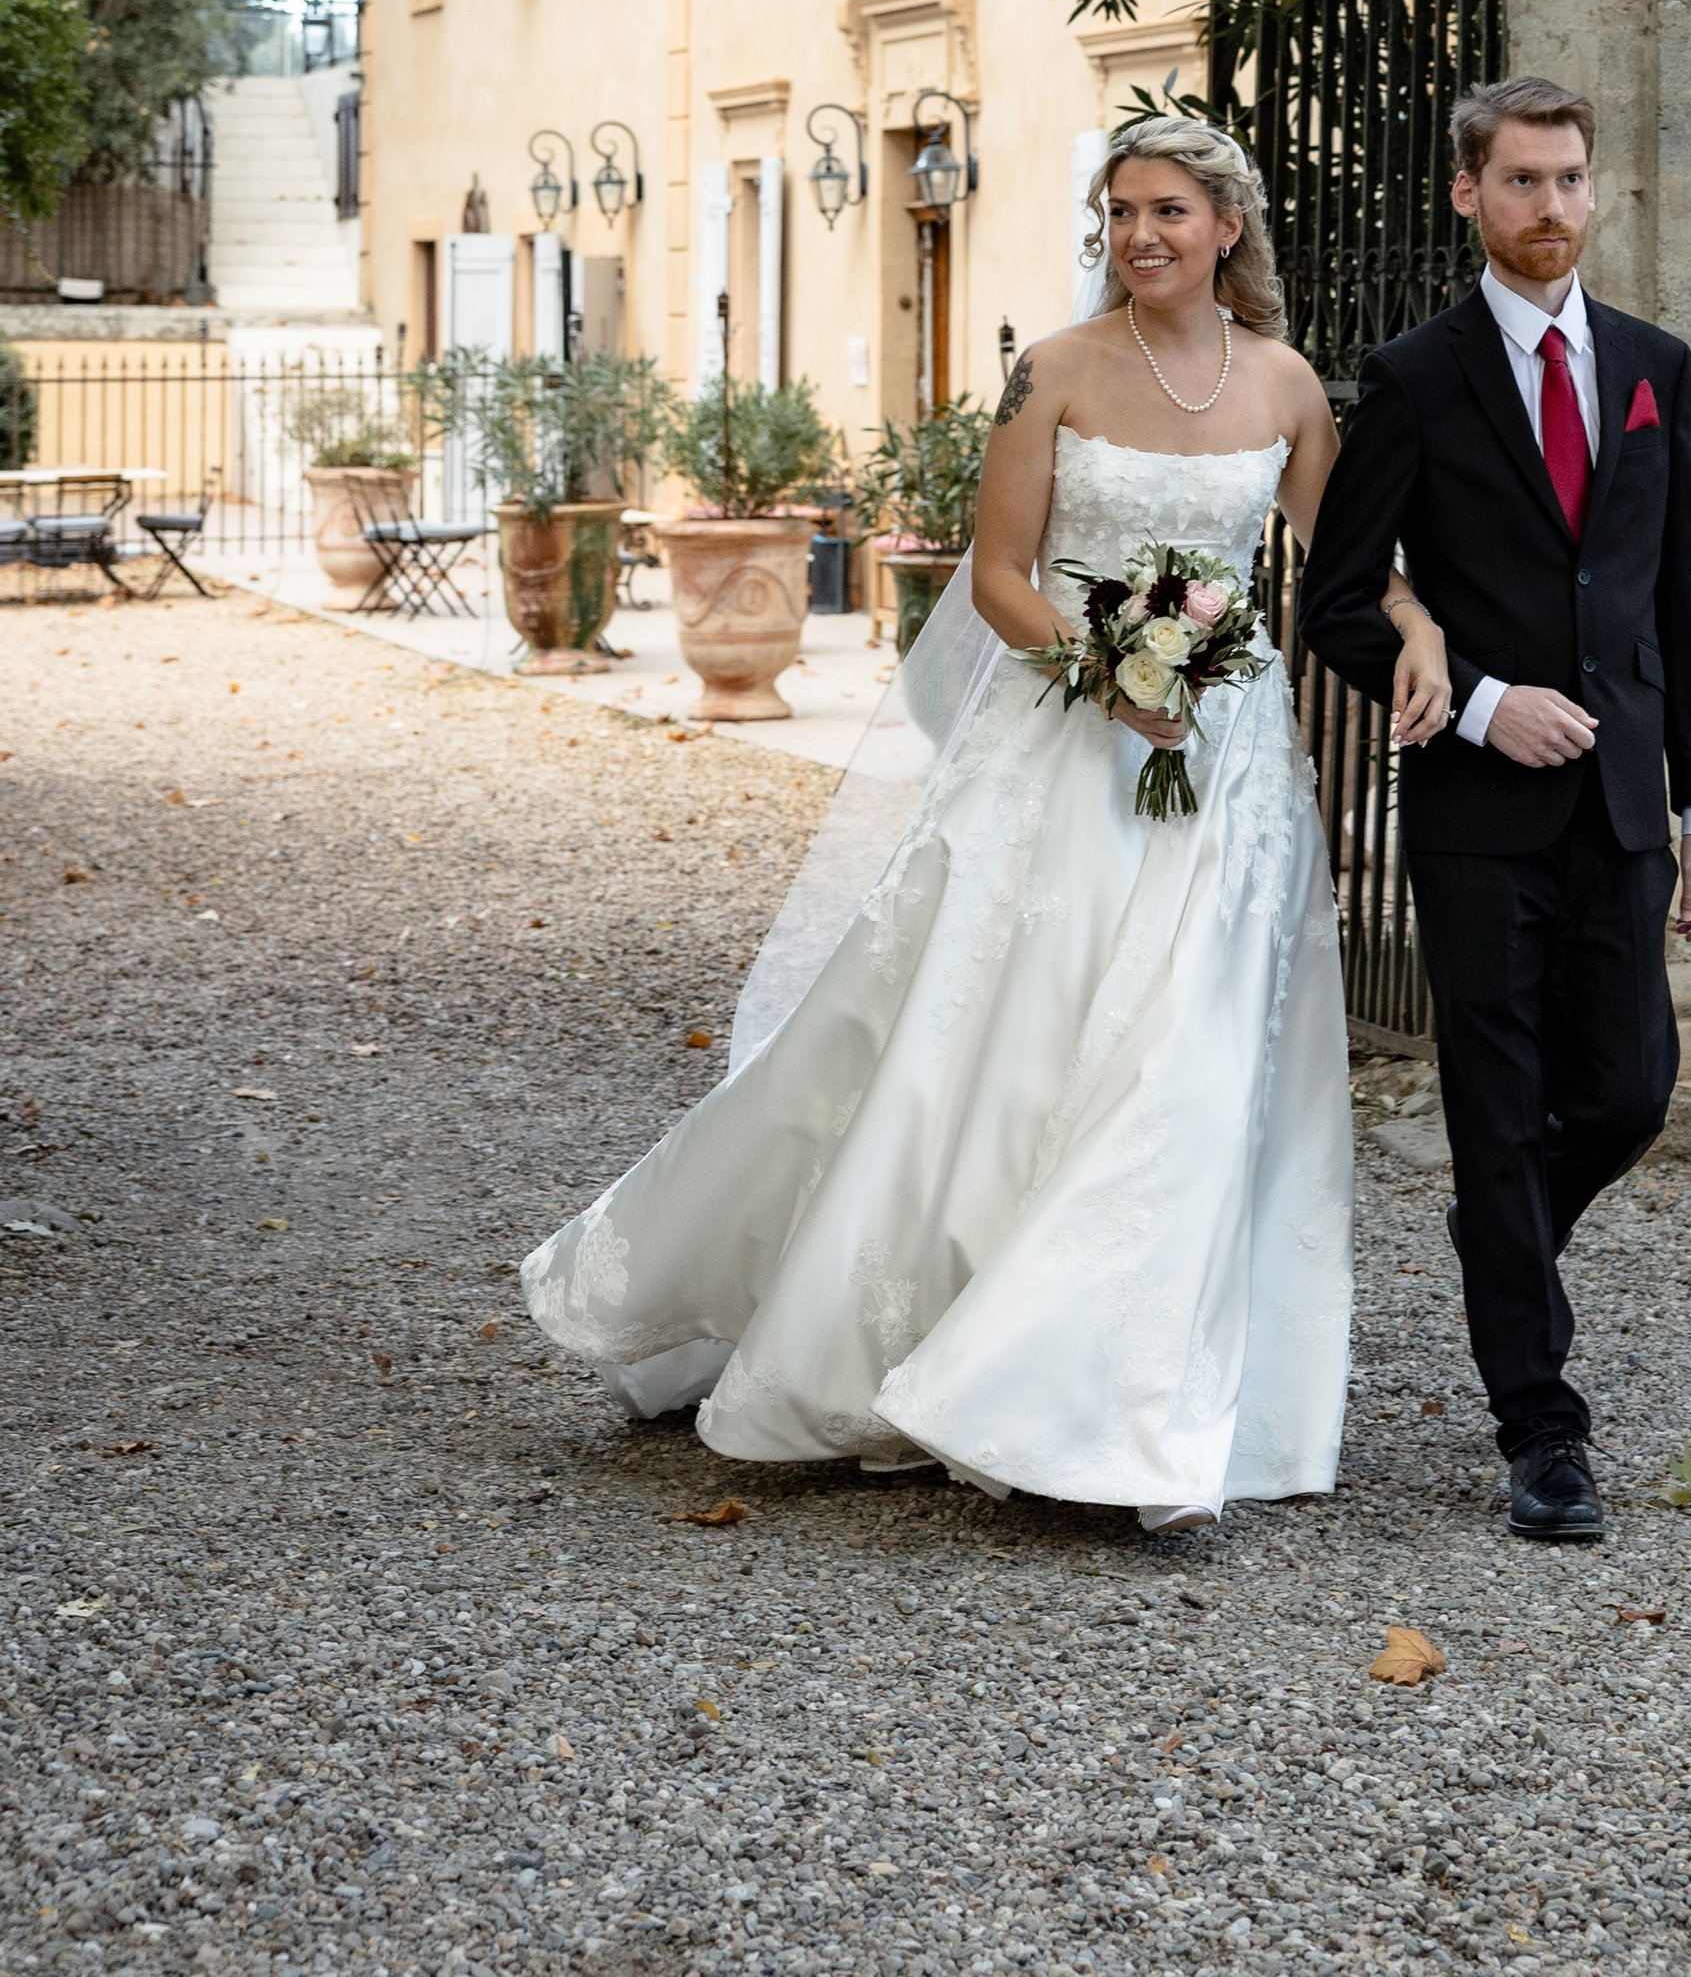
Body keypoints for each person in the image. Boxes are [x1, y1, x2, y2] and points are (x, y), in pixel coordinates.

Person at [520, 113, 1452, 1534]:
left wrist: (1418, 623)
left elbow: (1343, 564)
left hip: (1231, 766)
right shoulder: (1055, 372)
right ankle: (976, 1350)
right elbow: (1003, 573)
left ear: (1227, 228)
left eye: (1171, 212)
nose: (1143, 235)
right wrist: (1112, 667)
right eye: (1122, 211)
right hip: (1067, 743)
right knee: (1011, 1043)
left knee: (1191, 1053)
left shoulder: (1286, 388)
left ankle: (1119, 1399)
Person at [1299, 73, 1691, 1545]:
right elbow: (1342, 602)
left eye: (1571, 180)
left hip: (1622, 808)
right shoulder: (1416, 377)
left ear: (1594, 192)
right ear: (1470, 197)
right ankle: (1543, 1432)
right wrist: (1481, 700)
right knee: (1494, 1106)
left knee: (1627, 1090)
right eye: (1523, 182)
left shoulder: (1654, 363)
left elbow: (1688, 605)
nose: (1552, 207)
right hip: (1477, 812)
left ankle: (1504, 1226)